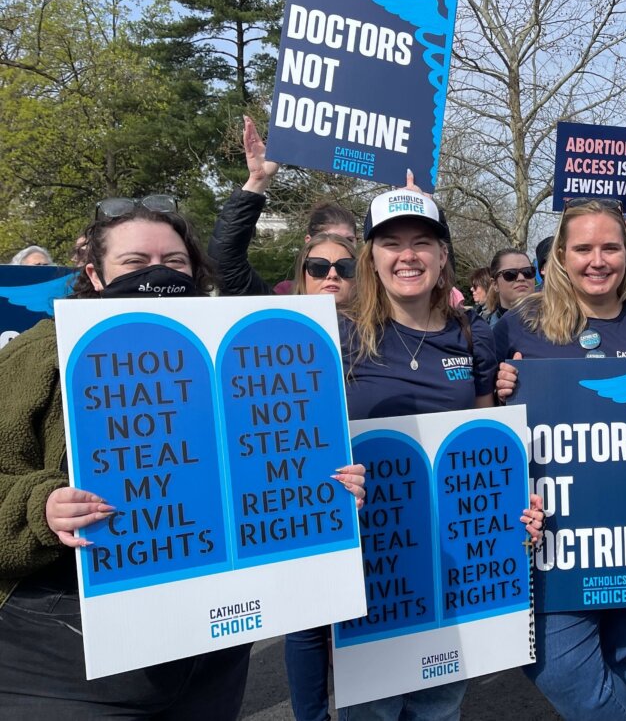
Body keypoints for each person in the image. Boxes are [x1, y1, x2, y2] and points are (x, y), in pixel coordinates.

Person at [0, 196, 366, 718]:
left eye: (173, 262)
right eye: (135, 262)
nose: (157, 274)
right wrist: (41, 508)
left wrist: (327, 486)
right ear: (95, 274)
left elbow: (260, 466)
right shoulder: (40, 355)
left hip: (209, 656)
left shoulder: (237, 354)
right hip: (65, 661)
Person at [327, 188, 543, 720]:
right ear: (371, 258)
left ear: (443, 255)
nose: (408, 255)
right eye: (391, 243)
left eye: (422, 242)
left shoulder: (474, 336)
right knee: (373, 710)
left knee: (439, 707)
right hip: (372, 557)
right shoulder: (336, 334)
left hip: (456, 557)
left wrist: (518, 505)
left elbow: (488, 445)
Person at [493, 198, 626, 721]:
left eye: (610, 247)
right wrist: (498, 390)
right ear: (561, 255)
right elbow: (480, 421)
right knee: (561, 670)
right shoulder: (519, 324)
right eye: (583, 248)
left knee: (614, 675)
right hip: (552, 541)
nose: (597, 260)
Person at [208, 116, 359, 298]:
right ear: (308, 243)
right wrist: (258, 180)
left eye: (348, 241)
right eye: (328, 238)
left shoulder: (379, 303)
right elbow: (225, 265)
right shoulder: (284, 302)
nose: (338, 248)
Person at [482, 247, 536, 326]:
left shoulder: (553, 320)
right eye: (510, 274)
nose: (521, 278)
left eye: (527, 271)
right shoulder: (487, 330)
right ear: (495, 284)